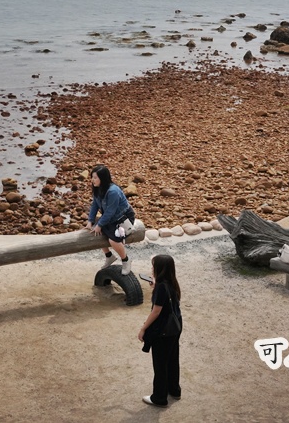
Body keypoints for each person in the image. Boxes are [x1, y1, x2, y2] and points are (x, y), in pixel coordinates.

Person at [138, 254, 182, 407]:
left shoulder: (161, 288)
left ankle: (159, 397)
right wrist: (156, 286)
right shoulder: (172, 283)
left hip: (163, 330)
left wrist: (143, 328)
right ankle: (174, 390)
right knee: (172, 359)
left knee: (160, 364)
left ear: (159, 269)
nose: (151, 269)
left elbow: (156, 312)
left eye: (153, 266)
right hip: (175, 327)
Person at [85, 164, 136, 275]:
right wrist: (91, 221)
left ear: (102, 178)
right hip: (110, 218)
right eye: (92, 177)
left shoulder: (113, 191)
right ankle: (109, 256)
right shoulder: (98, 188)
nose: (92, 180)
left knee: (114, 239)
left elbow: (110, 211)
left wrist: (100, 225)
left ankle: (126, 260)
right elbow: (95, 205)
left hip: (123, 217)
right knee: (95, 232)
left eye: (95, 177)